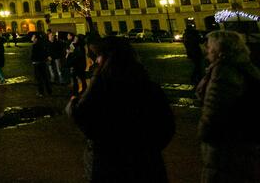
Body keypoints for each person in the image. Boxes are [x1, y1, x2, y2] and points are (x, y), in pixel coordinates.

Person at [67, 36, 174, 182]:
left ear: (107, 58)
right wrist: (147, 149)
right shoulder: (148, 87)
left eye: (99, 56)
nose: (96, 60)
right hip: (147, 165)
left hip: (110, 165)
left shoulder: (101, 90)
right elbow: (166, 128)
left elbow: (87, 123)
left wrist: (73, 105)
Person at [196, 30, 260, 182]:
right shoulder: (247, 66)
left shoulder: (223, 71)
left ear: (220, 50)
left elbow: (215, 109)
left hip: (226, 143)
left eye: (210, 48)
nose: (207, 51)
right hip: (246, 138)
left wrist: (204, 131)